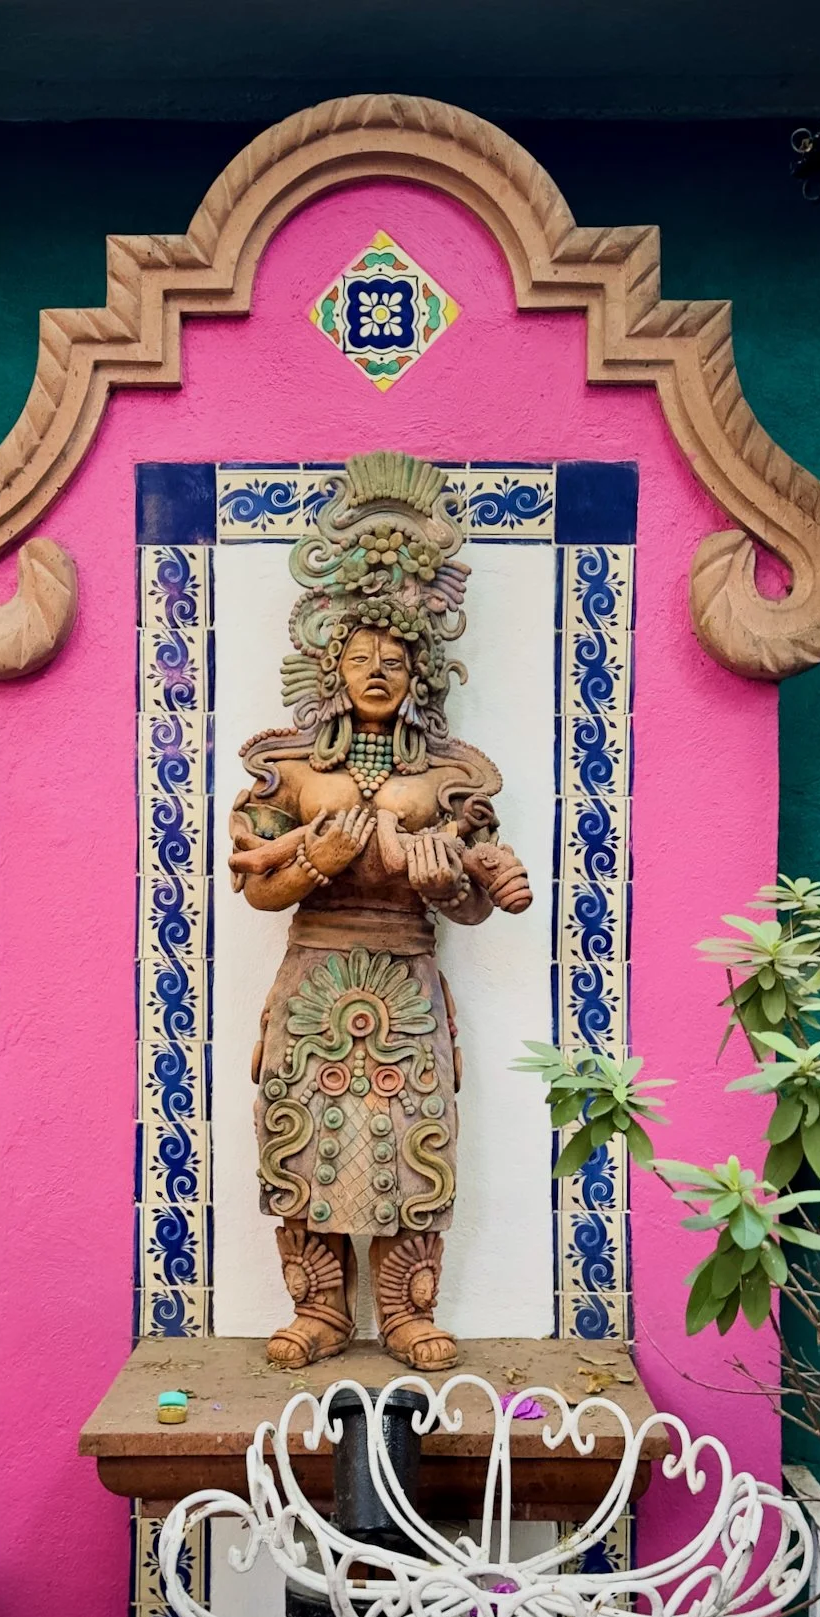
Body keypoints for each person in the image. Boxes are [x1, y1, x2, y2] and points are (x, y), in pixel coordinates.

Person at [229, 452, 530, 1370]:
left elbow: (476, 907)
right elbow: (255, 883)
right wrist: (311, 859)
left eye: (394, 661)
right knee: (302, 1133)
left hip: (405, 983)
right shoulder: (288, 771)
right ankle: (319, 1308)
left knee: (411, 1140)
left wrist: (444, 886)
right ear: (330, 667)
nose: (377, 672)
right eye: (360, 658)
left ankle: (404, 1311)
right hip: (315, 975)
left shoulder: (450, 778)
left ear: (419, 676)